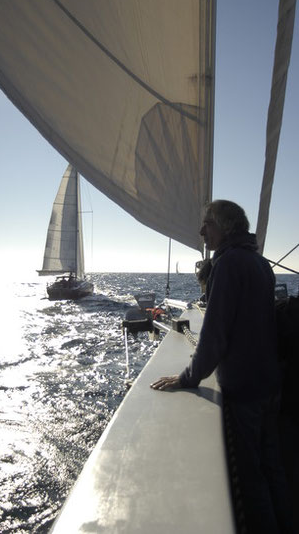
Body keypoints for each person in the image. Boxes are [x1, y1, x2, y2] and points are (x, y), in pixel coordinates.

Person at [151, 200, 294, 534]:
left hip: (244, 392)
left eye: (207, 223)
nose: (201, 231)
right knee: (274, 468)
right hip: (270, 384)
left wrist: (187, 377)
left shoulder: (228, 265)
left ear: (226, 227)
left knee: (252, 477)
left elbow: (214, 336)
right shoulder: (260, 264)